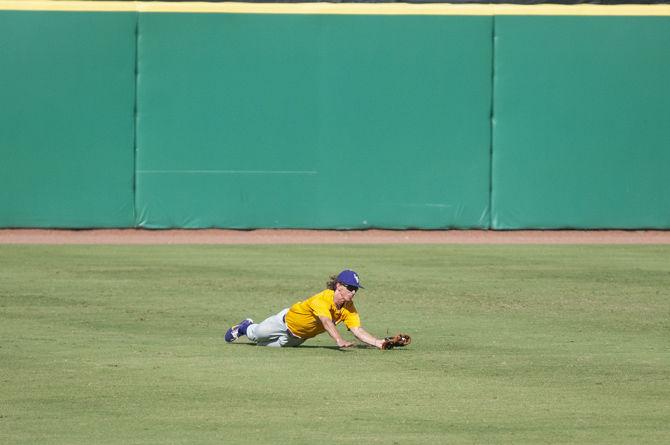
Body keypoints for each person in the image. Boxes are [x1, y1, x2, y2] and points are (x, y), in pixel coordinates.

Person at [225, 269, 386, 349]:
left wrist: (379, 343)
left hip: (297, 338)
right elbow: (326, 321)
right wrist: (339, 339)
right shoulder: (323, 298)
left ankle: (250, 330)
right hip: (283, 323)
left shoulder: (349, 308)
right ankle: (244, 327)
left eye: (355, 289)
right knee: (256, 336)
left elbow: (357, 330)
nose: (353, 292)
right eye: (350, 287)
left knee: (263, 348)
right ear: (338, 286)